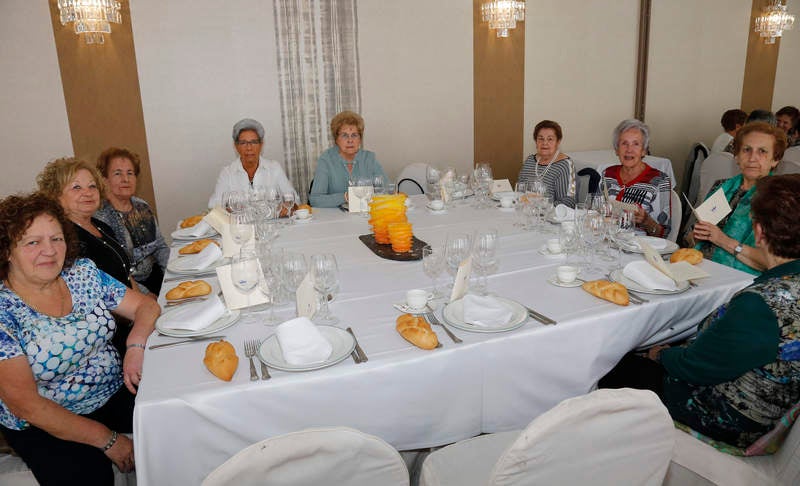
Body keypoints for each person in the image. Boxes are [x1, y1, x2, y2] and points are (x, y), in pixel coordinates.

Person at [600, 174, 800, 451]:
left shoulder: (761, 304)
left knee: (612, 365)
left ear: (759, 232)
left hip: (726, 416)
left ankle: (613, 448)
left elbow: (694, 367)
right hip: (772, 404)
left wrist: (659, 354)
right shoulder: (785, 285)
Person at [0, 193, 160, 485]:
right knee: (91, 477)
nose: (49, 250)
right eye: (33, 242)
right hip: (47, 420)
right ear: (7, 251)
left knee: (171, 420)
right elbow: (27, 405)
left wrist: (135, 345)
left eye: (56, 239)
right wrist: (107, 439)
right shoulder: (4, 312)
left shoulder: (81, 274)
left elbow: (146, 307)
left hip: (112, 388)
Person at [37, 157, 140, 356]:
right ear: (56, 195)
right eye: (76, 187)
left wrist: (143, 306)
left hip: (134, 315)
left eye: (92, 186)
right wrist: (138, 315)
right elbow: (87, 300)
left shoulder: (101, 226)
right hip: (112, 335)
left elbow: (126, 273)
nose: (88, 193)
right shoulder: (65, 240)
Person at [692, 122, 786, 275]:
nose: (752, 158)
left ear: (775, 160)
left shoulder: (779, 199)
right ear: (736, 156)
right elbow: (693, 239)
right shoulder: (721, 187)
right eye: (746, 150)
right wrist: (697, 235)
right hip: (700, 267)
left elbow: (774, 262)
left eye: (762, 151)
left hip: (743, 280)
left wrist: (722, 240)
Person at [94, 148, 169, 295]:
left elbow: (160, 247)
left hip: (155, 276)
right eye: (118, 173)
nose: (125, 179)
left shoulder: (142, 206)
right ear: (104, 180)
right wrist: (145, 295)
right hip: (128, 287)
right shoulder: (101, 219)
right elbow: (116, 272)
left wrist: (172, 275)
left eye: (130, 173)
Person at [602, 119, 672, 237]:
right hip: (607, 241)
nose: (629, 150)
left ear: (644, 151)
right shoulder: (607, 174)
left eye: (636, 144)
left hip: (639, 245)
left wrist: (646, 221)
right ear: (616, 150)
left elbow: (664, 234)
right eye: (624, 143)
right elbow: (596, 211)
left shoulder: (659, 181)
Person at [207, 118, 297, 208]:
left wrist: (286, 207)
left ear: (261, 144)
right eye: (243, 143)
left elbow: (294, 199)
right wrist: (232, 208)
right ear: (236, 146)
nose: (249, 148)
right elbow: (213, 205)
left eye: (254, 142)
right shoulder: (227, 173)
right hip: (239, 218)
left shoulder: (274, 168)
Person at [308, 111, 387, 208]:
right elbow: (315, 200)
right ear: (336, 139)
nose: (350, 140)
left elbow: (386, 190)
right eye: (344, 135)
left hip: (366, 214)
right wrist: (345, 196)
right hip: (335, 216)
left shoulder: (369, 158)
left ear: (360, 139)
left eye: (354, 135)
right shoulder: (326, 160)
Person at [517, 120, 576, 207]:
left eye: (550, 139)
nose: (544, 143)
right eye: (541, 139)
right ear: (536, 141)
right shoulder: (530, 161)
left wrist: (541, 205)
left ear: (558, 142)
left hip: (549, 213)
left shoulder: (565, 165)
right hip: (526, 211)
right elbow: (519, 191)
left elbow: (569, 202)